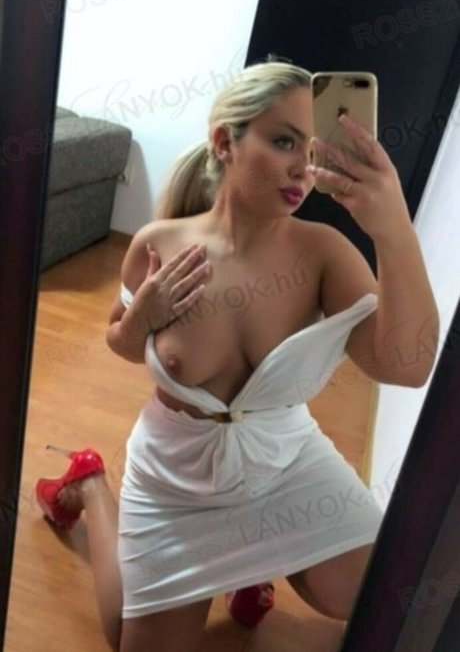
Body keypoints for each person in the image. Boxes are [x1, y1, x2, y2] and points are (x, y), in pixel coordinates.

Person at [36, 60, 439, 652]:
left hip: (284, 463)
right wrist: (142, 317)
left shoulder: (325, 253)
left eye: (312, 150)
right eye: (284, 142)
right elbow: (120, 342)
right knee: (130, 643)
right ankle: (92, 483)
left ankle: (251, 566)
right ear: (225, 142)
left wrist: (393, 229)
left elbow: (408, 366)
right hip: (176, 478)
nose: (302, 168)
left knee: (381, 597)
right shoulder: (160, 245)